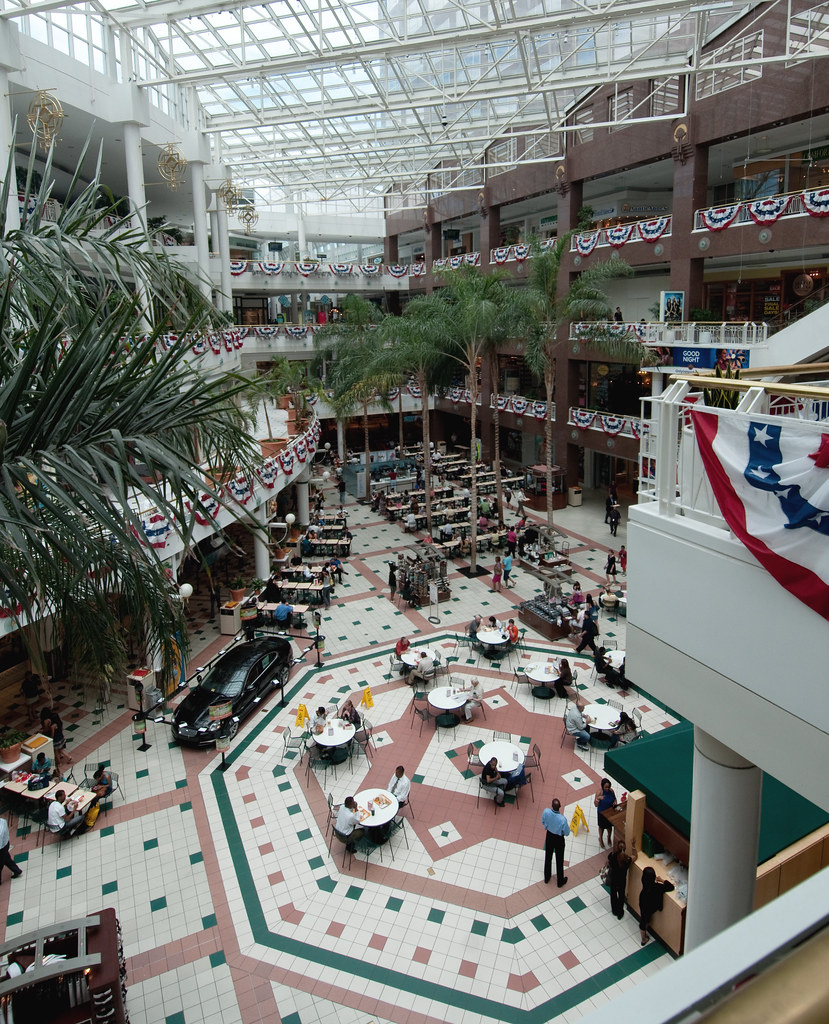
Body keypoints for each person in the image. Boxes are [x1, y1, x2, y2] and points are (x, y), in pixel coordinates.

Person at [639, 866, 675, 945]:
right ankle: (643, 939)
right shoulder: (657, 887)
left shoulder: (644, 882)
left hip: (643, 900)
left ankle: (644, 936)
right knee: (645, 920)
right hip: (651, 905)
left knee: (644, 918)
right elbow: (671, 887)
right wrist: (662, 880)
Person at [541, 797, 571, 886]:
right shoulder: (562, 819)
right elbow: (567, 832)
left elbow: (543, 822)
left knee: (548, 856)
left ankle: (547, 877)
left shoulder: (546, 812)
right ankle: (560, 881)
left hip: (549, 836)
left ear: (552, 806)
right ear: (560, 806)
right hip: (559, 839)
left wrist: (548, 826)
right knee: (559, 859)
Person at [606, 839, 635, 920]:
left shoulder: (612, 856)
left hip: (613, 879)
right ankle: (620, 913)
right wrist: (633, 845)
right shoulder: (626, 860)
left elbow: (609, 860)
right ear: (624, 849)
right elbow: (635, 856)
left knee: (613, 895)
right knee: (621, 896)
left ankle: (614, 910)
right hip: (622, 881)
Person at [594, 778, 617, 849]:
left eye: (608, 787)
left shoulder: (611, 791)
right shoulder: (599, 793)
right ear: (602, 786)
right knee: (601, 827)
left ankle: (609, 837)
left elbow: (615, 799)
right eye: (606, 787)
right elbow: (595, 805)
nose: (607, 788)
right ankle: (600, 838)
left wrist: (615, 802)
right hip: (602, 813)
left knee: (609, 827)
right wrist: (598, 799)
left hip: (610, 812)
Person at [0, 815, 22, 881]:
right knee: (7, 859)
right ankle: (17, 871)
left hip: (1, 848)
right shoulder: (3, 821)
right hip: (5, 844)